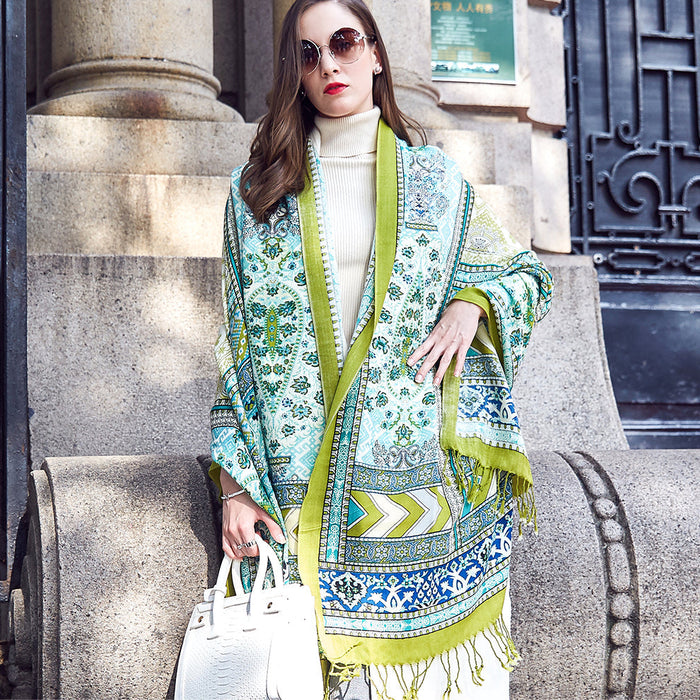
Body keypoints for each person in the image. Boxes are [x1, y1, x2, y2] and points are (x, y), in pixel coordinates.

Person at [209, 1, 552, 698]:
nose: (328, 65)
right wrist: (234, 487)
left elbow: (524, 275)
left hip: (412, 481)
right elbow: (236, 351)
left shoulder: (434, 181)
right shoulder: (256, 196)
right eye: (308, 54)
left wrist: (470, 304)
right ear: (294, 73)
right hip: (291, 477)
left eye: (343, 43)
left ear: (374, 54)